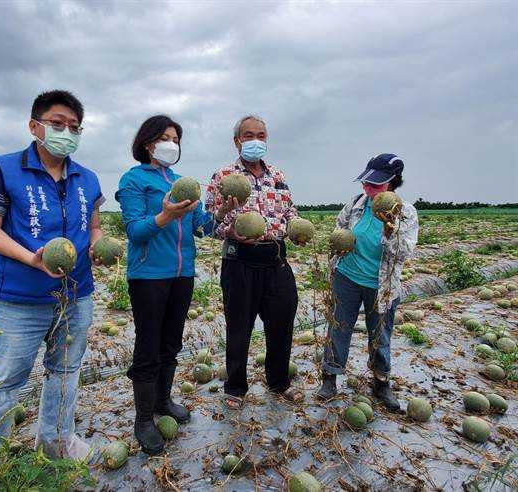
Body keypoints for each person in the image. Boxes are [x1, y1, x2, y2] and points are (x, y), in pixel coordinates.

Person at [0, 90, 105, 490]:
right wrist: (32, 258)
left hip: (77, 294)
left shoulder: (87, 178)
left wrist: (98, 247)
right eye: (57, 123)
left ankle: (56, 441)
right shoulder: (4, 169)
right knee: (4, 378)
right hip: (21, 296)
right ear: (35, 125)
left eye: (74, 127)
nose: (65, 132)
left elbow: (94, 227)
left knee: (66, 372)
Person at [115, 115, 218, 455]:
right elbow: (135, 230)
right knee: (148, 346)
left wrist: (222, 213)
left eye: (175, 138)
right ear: (147, 144)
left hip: (182, 274)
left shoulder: (182, 182)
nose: (171, 144)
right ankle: (143, 419)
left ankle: (163, 401)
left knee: (171, 342)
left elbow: (202, 227)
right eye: (164, 137)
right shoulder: (134, 180)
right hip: (147, 276)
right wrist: (165, 216)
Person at [205, 115, 305, 410]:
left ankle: (279, 382)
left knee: (282, 323)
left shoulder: (277, 174)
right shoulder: (223, 176)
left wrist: (297, 227)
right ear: (237, 141)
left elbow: (290, 211)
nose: (255, 140)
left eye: (261, 135)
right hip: (240, 260)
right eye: (249, 135)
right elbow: (210, 220)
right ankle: (235, 386)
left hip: (275, 258)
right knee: (239, 326)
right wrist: (230, 230)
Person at [316, 153, 419, 411]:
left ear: (392, 183)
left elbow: (404, 253)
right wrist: (338, 242)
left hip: (381, 284)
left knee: (380, 334)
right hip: (347, 277)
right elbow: (340, 228)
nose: (367, 189)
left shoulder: (405, 213)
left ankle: (381, 383)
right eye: (366, 183)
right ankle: (329, 378)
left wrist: (390, 230)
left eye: (375, 185)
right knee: (338, 328)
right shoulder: (356, 204)